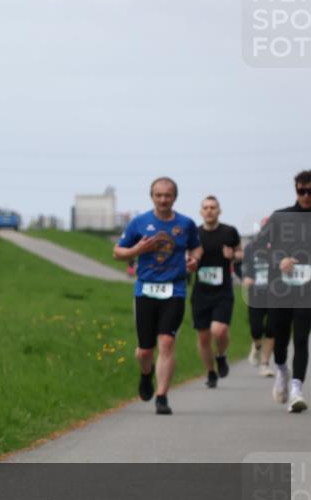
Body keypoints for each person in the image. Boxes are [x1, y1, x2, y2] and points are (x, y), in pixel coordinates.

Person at [113, 177, 202, 415]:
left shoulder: (186, 224)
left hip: (175, 289)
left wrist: (194, 260)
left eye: (167, 195)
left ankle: (162, 397)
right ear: (151, 197)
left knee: (167, 342)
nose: (163, 200)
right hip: (146, 290)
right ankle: (146, 374)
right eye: (158, 195)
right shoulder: (139, 223)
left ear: (175, 197)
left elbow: (196, 246)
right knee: (145, 351)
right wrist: (137, 250)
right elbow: (117, 252)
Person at [252, 170, 311, 413]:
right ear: (295, 189)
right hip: (280, 289)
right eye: (302, 190)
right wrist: (279, 261)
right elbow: (257, 247)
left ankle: (297, 389)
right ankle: (282, 370)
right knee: (280, 337)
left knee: (301, 338)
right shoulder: (280, 217)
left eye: (310, 191)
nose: (306, 195)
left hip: (306, 291)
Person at [191, 196, 241, 388]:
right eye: (205, 207)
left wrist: (233, 255)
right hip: (201, 292)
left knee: (219, 330)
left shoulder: (229, 232)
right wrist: (191, 259)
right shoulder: (194, 234)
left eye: (213, 207)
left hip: (223, 291)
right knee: (204, 337)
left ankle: (221, 355)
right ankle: (210, 372)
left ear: (219, 210)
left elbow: (241, 252)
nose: (209, 210)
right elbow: (187, 257)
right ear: (201, 212)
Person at [240, 218, 275, 377]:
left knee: (271, 329)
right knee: (256, 329)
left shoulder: (282, 247)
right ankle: (256, 346)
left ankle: (265, 364)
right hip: (256, 292)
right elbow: (244, 265)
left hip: (276, 294)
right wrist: (245, 277)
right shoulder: (251, 247)